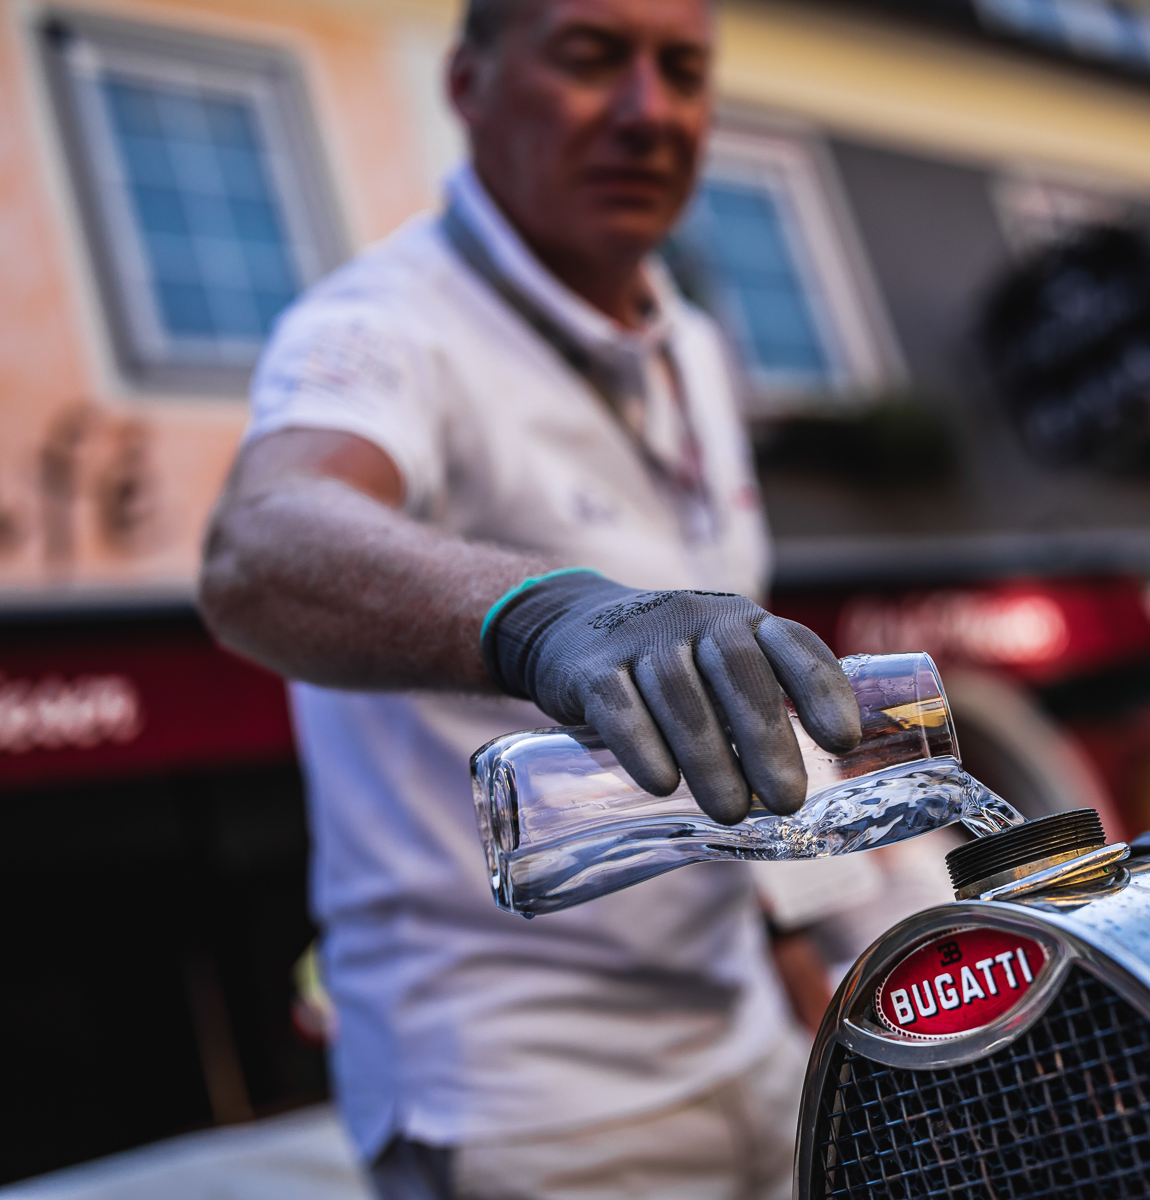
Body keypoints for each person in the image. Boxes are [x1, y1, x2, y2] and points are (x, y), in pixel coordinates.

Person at [197, 0, 859, 1195]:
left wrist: (826, 970)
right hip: (523, 1105)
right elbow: (261, 541)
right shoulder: (380, 323)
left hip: (752, 1045)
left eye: (683, 69)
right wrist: (540, 613)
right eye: (592, 58)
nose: (650, 111)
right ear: (469, 85)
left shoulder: (691, 343)